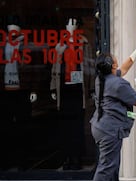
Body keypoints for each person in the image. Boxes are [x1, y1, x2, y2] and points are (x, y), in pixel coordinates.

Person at [84, 41, 136, 181]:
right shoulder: (119, 84)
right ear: (112, 65)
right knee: (107, 165)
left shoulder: (102, 79)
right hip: (109, 130)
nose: (116, 57)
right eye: (114, 58)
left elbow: (123, 69)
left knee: (113, 162)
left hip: (100, 127)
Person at [50, 18, 95, 170]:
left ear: (77, 26)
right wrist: (53, 89)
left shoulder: (83, 43)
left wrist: (90, 88)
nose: (70, 26)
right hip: (64, 89)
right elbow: (55, 67)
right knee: (65, 125)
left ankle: (76, 158)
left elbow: (89, 65)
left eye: (73, 24)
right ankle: (67, 157)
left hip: (78, 88)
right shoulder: (60, 44)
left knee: (77, 125)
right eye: (68, 23)